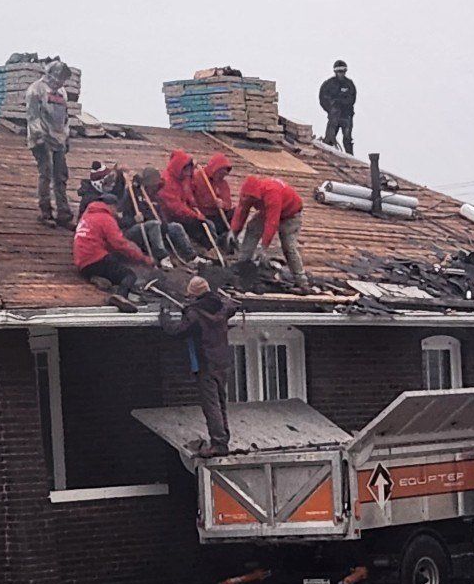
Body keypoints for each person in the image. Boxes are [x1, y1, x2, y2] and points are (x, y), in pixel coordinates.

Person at [166, 274, 239, 456]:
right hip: (222, 363)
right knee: (221, 403)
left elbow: (176, 331)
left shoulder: (194, 314)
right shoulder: (222, 307)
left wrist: (164, 317)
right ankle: (223, 440)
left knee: (211, 405)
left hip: (205, 364)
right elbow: (233, 306)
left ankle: (218, 444)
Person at [231, 174, 307, 287]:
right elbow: (242, 211)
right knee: (252, 228)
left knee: (288, 246)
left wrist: (264, 247)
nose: (250, 201)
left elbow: (272, 222)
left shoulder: (272, 194)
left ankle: (300, 279)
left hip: (291, 214)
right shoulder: (248, 193)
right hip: (266, 210)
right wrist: (233, 232)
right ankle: (242, 261)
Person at [25, 59, 75, 226]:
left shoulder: (61, 92)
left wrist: (66, 137)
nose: (61, 82)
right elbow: (33, 117)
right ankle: (45, 211)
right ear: (51, 75)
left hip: (58, 138)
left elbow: (65, 117)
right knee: (46, 173)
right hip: (41, 139)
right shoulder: (35, 90)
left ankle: (64, 213)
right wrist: (40, 137)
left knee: (60, 176)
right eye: (60, 78)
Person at [73, 197, 151, 303]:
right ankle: (120, 296)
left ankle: (98, 278)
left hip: (83, 264)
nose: (116, 211)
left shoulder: (87, 216)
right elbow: (119, 243)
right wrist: (142, 258)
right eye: (116, 208)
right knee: (129, 275)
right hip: (96, 259)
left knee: (112, 264)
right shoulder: (106, 218)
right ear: (111, 206)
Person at [318, 61, 356, 153]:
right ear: (335, 72)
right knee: (329, 140)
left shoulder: (349, 84)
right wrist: (331, 109)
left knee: (347, 140)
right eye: (339, 71)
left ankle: (350, 158)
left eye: (343, 71)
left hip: (346, 116)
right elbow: (322, 99)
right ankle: (327, 156)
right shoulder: (328, 84)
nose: (341, 74)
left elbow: (352, 99)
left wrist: (341, 103)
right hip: (334, 116)